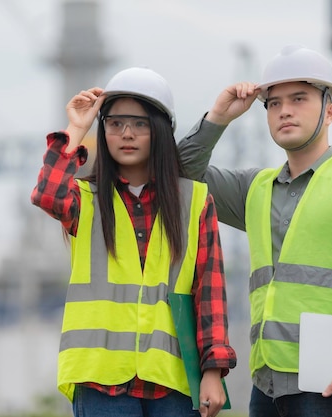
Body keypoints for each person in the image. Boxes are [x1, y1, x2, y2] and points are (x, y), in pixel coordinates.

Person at [177, 45, 332, 417]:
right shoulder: (256, 189)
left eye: (299, 99)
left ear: (330, 111)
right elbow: (180, 175)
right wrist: (218, 118)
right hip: (266, 386)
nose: (284, 110)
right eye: (273, 103)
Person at [30, 67, 237, 417]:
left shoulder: (195, 201)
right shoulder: (85, 199)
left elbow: (210, 292)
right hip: (99, 381)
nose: (127, 134)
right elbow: (47, 194)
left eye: (140, 124)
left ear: (160, 131)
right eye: (114, 124)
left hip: (171, 380)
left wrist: (213, 371)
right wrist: (77, 128)